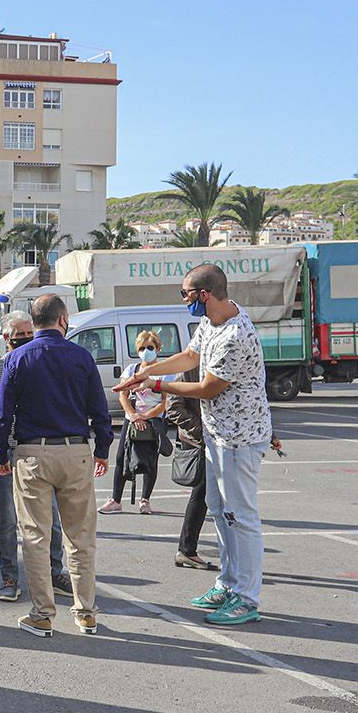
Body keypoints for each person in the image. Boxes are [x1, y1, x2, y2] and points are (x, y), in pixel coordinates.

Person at [117, 263, 270, 627]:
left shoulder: (235, 334)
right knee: (219, 510)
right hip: (217, 435)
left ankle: (246, 598)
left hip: (240, 437)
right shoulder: (211, 324)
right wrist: (146, 373)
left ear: (204, 295)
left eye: (185, 294)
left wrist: (157, 387)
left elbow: (207, 388)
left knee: (241, 516)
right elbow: (189, 358)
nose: (184, 300)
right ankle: (228, 583)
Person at [0, 294, 112, 637]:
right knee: (81, 537)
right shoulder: (81, 356)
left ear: (33, 323)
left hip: (32, 453)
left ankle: (43, 613)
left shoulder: (16, 358)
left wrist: (1, 453)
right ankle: (86, 611)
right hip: (76, 451)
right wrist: (102, 448)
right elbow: (100, 411)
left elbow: (3, 415)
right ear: (63, 320)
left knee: (35, 537)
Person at [0, 311, 68, 603]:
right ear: (6, 338)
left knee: (51, 517)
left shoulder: (45, 364)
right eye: (18, 335)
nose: (24, 339)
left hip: (41, 452)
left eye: (29, 333)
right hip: (8, 454)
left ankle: (54, 572)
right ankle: (10, 577)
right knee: (8, 519)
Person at [102, 330, 167, 514]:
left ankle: (145, 500)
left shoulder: (164, 373)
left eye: (150, 347)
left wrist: (146, 417)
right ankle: (115, 500)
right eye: (142, 348)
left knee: (150, 460)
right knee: (121, 458)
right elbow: (123, 395)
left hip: (153, 422)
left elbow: (165, 402)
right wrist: (134, 415)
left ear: (158, 348)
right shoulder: (132, 370)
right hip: (131, 421)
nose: (146, 351)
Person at [162, 384, 218, 572]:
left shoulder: (214, 368)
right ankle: (187, 549)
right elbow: (174, 407)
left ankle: (187, 549)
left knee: (205, 497)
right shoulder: (188, 371)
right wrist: (203, 432)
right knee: (203, 495)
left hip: (218, 443)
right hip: (201, 444)